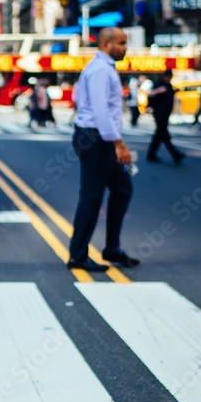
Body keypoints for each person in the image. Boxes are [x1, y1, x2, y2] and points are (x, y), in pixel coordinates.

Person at [66, 26, 140, 272]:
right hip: (96, 139)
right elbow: (100, 111)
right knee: (91, 197)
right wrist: (118, 143)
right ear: (106, 45)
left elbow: (79, 99)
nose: (125, 47)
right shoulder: (100, 70)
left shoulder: (101, 68)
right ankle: (77, 256)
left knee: (122, 188)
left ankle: (112, 248)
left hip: (97, 137)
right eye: (121, 43)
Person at [146, 69, 185, 164]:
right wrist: (159, 91)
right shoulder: (159, 83)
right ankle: (175, 154)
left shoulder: (169, 85)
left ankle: (151, 155)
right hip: (159, 113)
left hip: (165, 114)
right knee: (164, 135)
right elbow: (150, 94)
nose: (169, 78)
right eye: (168, 76)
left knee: (159, 136)